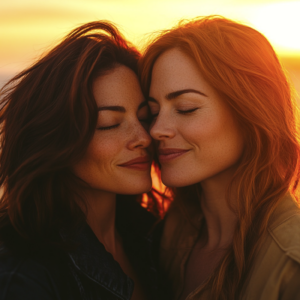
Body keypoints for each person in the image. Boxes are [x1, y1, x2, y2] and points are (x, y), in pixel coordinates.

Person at [139, 15, 300, 300]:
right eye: (152, 113)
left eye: (186, 108)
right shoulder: (166, 236)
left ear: (249, 111)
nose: (157, 130)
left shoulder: (290, 261)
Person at [0, 21, 162, 300]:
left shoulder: (157, 238)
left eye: (145, 117)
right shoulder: (23, 272)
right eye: (110, 123)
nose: (144, 137)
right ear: (56, 138)